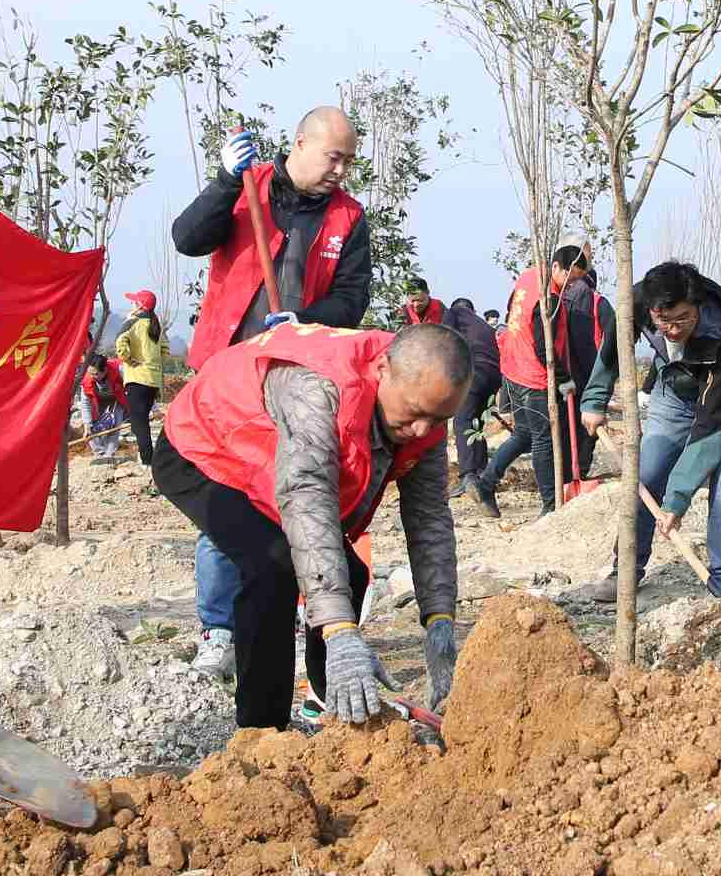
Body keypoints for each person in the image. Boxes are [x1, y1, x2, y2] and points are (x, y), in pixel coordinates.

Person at [152, 322, 467, 730]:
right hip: (206, 447)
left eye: (439, 418)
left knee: (350, 573)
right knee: (273, 567)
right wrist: (339, 631)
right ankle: (263, 732)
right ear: (383, 368)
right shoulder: (319, 388)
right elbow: (307, 497)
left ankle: (336, 702)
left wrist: (439, 620)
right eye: (416, 413)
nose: (423, 430)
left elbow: (429, 518)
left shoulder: (425, 404)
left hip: (269, 457)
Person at [171, 108, 372, 685]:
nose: (341, 169)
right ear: (300, 143)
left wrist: (305, 320)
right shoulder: (248, 188)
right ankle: (219, 632)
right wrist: (224, 181)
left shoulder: (348, 218)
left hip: (294, 380)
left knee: (289, 497)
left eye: (349, 160)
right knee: (225, 503)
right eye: (333, 156)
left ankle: (289, 615)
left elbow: (352, 299)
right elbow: (187, 238)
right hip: (226, 382)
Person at [579, 260, 721, 598]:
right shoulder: (637, 302)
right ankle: (626, 572)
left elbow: (713, 425)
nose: (674, 329)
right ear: (651, 310)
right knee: (646, 473)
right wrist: (594, 400)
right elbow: (613, 347)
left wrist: (677, 500)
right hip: (674, 382)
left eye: (683, 319)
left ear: (698, 306)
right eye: (664, 321)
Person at [480, 246, 610, 518]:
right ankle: (550, 505)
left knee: (524, 434)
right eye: (571, 279)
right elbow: (544, 347)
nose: (573, 286)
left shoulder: (529, 276)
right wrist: (564, 380)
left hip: (513, 367)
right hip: (534, 376)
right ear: (555, 268)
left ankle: (485, 483)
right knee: (543, 441)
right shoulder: (547, 298)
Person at [442, 296, 503, 483]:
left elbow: (445, 337)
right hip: (494, 376)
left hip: (475, 371)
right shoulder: (483, 325)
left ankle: (468, 475)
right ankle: (482, 470)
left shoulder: (454, 313)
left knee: (463, 421)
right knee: (476, 423)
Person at [113, 291, 168, 466]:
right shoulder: (156, 325)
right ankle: (151, 457)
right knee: (142, 419)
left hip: (136, 378)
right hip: (152, 380)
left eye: (133, 302)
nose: (131, 305)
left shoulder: (132, 322)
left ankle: (147, 460)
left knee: (139, 422)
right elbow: (165, 350)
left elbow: (120, 344)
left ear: (139, 306)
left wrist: (128, 360)